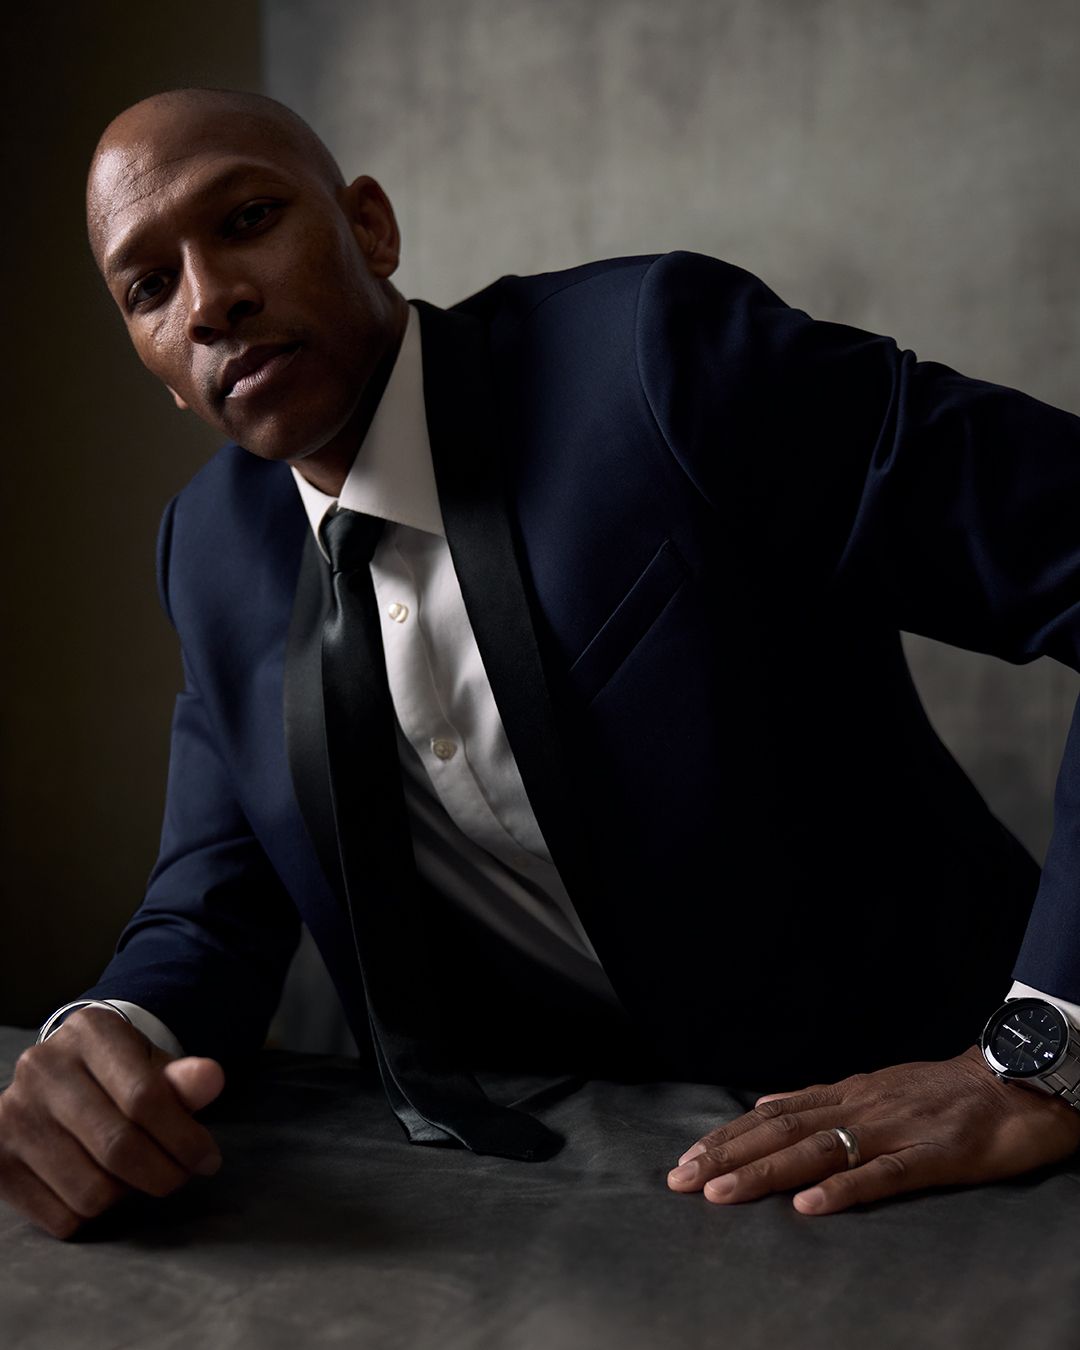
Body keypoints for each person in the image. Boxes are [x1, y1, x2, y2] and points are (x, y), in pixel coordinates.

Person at [3, 86, 1080, 1241]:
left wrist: (1042, 1058)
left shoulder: (659, 363)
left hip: (939, 1131)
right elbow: (212, 908)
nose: (212, 300)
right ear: (160, 369)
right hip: (559, 1201)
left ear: (370, 227)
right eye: (149, 288)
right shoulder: (209, 553)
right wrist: (105, 1038)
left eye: (249, 217)